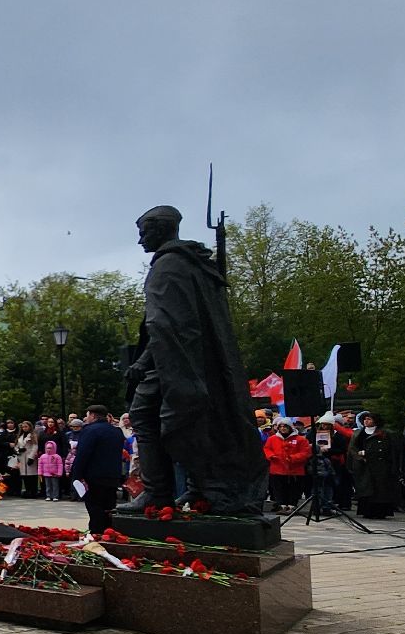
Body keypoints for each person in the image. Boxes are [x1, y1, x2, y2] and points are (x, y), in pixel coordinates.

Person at [115, 205, 268, 514]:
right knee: (199, 420)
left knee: (144, 415)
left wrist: (143, 363)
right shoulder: (194, 264)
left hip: (173, 361)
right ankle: (200, 490)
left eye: (143, 233)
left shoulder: (168, 266)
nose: (140, 240)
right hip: (197, 359)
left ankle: (157, 493)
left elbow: (163, 323)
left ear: (160, 231)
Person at [68, 405, 127, 534]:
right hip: (112, 475)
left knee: (95, 507)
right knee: (109, 507)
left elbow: (83, 454)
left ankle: (97, 534)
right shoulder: (116, 431)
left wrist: (76, 474)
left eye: (87, 415)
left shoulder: (90, 430)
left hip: (94, 475)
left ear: (93, 415)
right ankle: (109, 533)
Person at [348, 412, 404, 519]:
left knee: (380, 490)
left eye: (369, 419)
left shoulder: (384, 433)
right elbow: (352, 448)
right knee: (366, 489)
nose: (366, 421)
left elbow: (389, 449)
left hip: (380, 465)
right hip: (364, 465)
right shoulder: (358, 433)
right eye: (365, 419)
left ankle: (380, 512)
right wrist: (359, 456)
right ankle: (366, 511)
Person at [263, 419, 311, 513]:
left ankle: (291, 505)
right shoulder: (272, 439)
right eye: (280, 426)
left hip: (295, 470)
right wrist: (271, 456)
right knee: (278, 488)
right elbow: (266, 449)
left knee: (294, 488)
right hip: (277, 469)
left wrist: (293, 458)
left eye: (285, 426)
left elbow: (305, 453)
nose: (282, 428)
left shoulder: (300, 439)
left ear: (290, 427)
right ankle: (281, 505)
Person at [36, 434, 65, 502]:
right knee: (48, 485)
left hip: (54, 474)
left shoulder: (57, 456)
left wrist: (59, 473)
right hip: (46, 474)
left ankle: (55, 496)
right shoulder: (43, 456)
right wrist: (40, 472)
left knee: (55, 485)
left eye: (50, 448)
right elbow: (40, 465)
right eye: (47, 448)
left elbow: (60, 465)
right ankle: (48, 495)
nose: (49, 449)